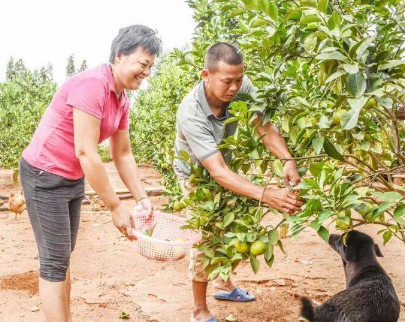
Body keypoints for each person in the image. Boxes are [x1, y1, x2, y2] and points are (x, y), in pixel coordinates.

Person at [19, 24, 161, 322]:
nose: (147, 72)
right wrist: (115, 206)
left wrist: (141, 197)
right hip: (44, 174)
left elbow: (122, 153)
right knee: (54, 262)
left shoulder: (121, 99)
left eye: (151, 66)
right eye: (143, 64)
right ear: (120, 55)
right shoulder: (92, 85)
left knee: (62, 257)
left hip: (71, 177)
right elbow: (86, 151)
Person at [174, 42, 303, 322]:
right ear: (205, 76)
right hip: (197, 175)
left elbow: (263, 125)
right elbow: (217, 172)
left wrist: (286, 159)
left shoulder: (241, 85)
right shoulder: (190, 113)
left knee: (235, 227)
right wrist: (267, 194)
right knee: (206, 236)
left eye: (239, 79)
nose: (234, 87)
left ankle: (223, 283)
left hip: (224, 165)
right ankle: (198, 309)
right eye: (227, 81)